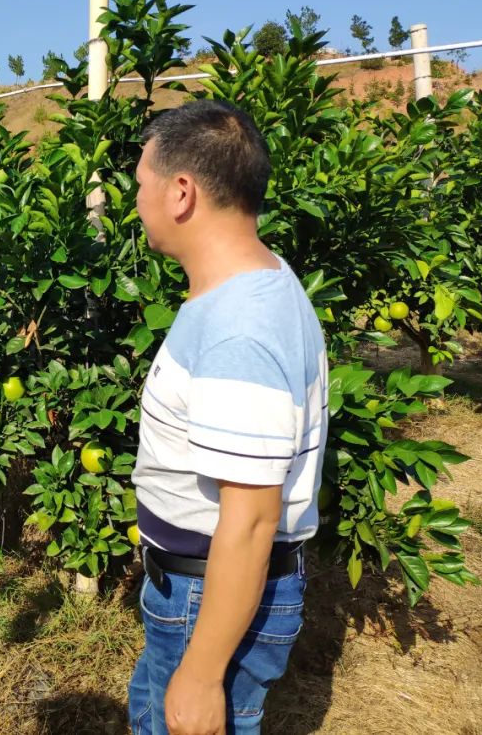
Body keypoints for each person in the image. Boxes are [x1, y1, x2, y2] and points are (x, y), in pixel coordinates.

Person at [127, 100, 328, 735]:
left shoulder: (240, 332)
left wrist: (202, 670)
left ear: (180, 192)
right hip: (190, 590)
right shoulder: (247, 286)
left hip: (205, 598)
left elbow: (250, 520)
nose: (137, 201)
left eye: (140, 183)